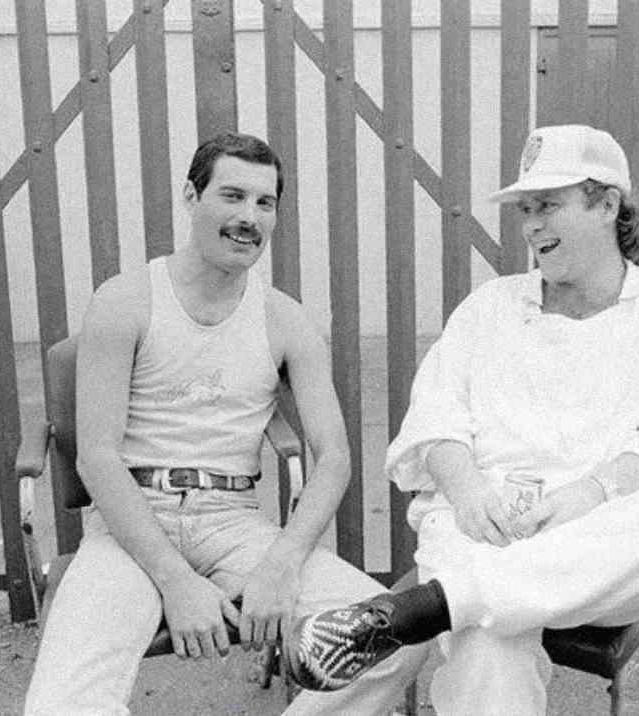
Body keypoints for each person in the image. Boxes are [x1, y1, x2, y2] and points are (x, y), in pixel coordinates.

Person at [284, 124, 639, 715]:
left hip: (596, 549)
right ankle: (458, 602)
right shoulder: (492, 306)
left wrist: (590, 494)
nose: (530, 225)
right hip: (481, 530)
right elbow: (435, 419)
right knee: (490, 643)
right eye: (526, 209)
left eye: (548, 205)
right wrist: (468, 490)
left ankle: (433, 607)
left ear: (607, 205)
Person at [24, 132, 428, 715]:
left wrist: (281, 564)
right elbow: (98, 458)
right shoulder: (125, 301)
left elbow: (335, 456)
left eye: (265, 203)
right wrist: (176, 582)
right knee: (62, 704)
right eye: (233, 196)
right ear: (192, 197)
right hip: (130, 525)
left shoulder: (284, 319)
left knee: (395, 638)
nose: (249, 218)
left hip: (234, 523)